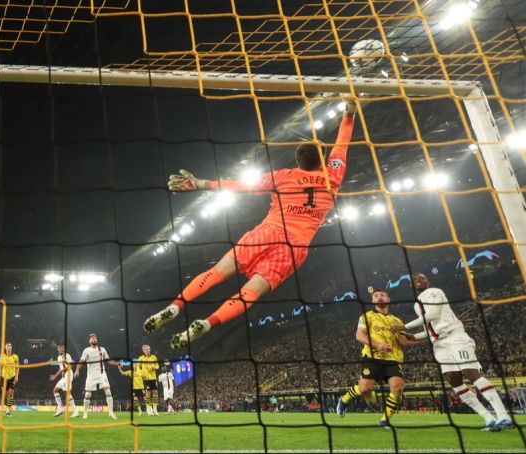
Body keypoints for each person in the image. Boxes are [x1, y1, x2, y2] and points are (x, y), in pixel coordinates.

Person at [143, 100, 358, 349]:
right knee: (250, 293)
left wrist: (201, 184)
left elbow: (240, 185)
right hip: (294, 246)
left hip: (267, 231)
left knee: (216, 272)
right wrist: (349, 113)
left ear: (298, 163)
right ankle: (209, 322)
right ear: (323, 159)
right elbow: (342, 143)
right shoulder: (333, 175)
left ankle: (175, 306)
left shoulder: (283, 176)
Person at [399, 273, 514, 431]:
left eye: (422, 278)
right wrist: (414, 337)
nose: (418, 280)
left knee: (470, 372)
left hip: (455, 337)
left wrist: (404, 327)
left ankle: (504, 416)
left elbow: (432, 315)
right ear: (411, 285)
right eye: (415, 279)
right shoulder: (416, 305)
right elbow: (430, 328)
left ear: (428, 281)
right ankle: (489, 419)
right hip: (439, 344)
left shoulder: (435, 292)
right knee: (454, 380)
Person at [336, 289, 422, 428]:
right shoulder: (367, 316)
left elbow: (405, 341)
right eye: (376, 296)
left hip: (392, 359)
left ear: (388, 299)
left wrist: (428, 337)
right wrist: (378, 345)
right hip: (372, 357)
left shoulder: (396, 321)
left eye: (382, 295)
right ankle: (344, 400)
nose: (379, 297)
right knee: (365, 389)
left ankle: (384, 420)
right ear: (373, 301)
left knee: (398, 387)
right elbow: (359, 335)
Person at [74, 334, 121, 419]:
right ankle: (85, 413)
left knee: (108, 392)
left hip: (102, 374)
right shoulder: (86, 350)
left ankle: (111, 413)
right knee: (87, 394)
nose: (94, 339)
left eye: (95, 338)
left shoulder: (102, 349)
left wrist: (116, 363)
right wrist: (77, 370)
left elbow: (108, 360)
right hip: (91, 375)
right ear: (89, 341)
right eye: (92, 338)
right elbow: (81, 361)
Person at [49, 342, 78, 417]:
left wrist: (63, 370)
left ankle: (75, 412)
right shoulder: (58, 357)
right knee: (55, 390)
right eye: (60, 347)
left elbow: (71, 365)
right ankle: (60, 408)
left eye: (62, 347)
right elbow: (60, 368)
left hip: (68, 374)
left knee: (67, 393)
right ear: (57, 349)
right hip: (63, 376)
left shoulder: (67, 355)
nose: (61, 349)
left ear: (64, 349)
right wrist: (55, 376)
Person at [0, 341, 19, 417]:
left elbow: (17, 368)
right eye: (8, 346)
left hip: (12, 377)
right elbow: (0, 367)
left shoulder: (15, 357)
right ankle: (7, 407)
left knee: (11, 392)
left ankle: (8, 410)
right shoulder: (2, 356)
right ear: (5, 348)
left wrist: (16, 376)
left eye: (10, 346)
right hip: (4, 377)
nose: (9, 347)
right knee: (5, 395)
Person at [138, 344, 159, 416]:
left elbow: (157, 365)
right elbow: (138, 368)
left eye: (149, 349)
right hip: (146, 378)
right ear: (143, 350)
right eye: (146, 349)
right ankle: (148, 409)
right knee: (148, 393)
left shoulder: (154, 357)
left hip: (153, 378)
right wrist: (141, 374)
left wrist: (154, 368)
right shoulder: (141, 358)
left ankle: (155, 409)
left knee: (155, 393)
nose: (148, 350)